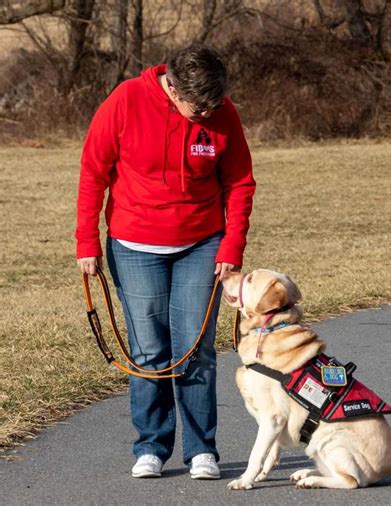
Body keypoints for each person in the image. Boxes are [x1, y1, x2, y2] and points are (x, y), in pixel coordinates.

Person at [75, 43, 255, 479]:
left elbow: (240, 182)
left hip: (202, 244)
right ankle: (151, 446)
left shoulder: (221, 113)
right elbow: (93, 170)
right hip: (134, 245)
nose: (207, 114)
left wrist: (231, 248)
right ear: (172, 88)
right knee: (150, 351)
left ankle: (201, 451)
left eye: (214, 105)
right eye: (199, 107)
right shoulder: (125, 101)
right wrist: (86, 241)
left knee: (196, 350)